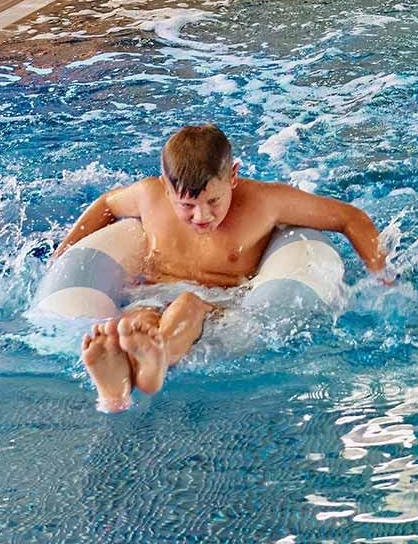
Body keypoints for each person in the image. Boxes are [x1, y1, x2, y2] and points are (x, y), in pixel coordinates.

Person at [53, 124, 388, 413]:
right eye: (187, 205)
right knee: (135, 321)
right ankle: (116, 391)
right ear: (166, 188)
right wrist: (62, 254)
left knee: (188, 305)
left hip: (222, 303)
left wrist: (382, 277)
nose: (202, 216)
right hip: (153, 293)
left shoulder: (265, 203)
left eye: (213, 201)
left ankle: (158, 356)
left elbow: (350, 218)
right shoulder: (148, 196)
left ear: (233, 177)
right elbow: (108, 204)